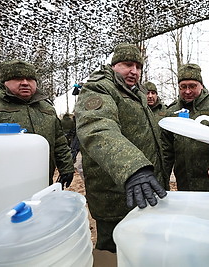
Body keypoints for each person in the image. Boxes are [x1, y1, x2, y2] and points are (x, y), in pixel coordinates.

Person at [74, 43, 168, 259]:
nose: (134, 71)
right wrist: (133, 169)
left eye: (138, 66)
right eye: (127, 65)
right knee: (113, 251)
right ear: (114, 65)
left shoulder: (138, 93)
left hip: (144, 188)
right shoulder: (99, 88)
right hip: (116, 194)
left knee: (142, 249)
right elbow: (97, 127)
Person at [0, 59, 74, 189]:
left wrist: (66, 168)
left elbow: (59, 141)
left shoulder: (46, 107)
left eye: (30, 79)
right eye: (18, 78)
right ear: (5, 81)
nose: (25, 83)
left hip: (42, 180)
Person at [162, 63, 209, 191]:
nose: (187, 91)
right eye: (183, 87)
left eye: (192, 86)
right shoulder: (172, 111)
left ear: (201, 85)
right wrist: (162, 178)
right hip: (184, 182)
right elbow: (166, 149)